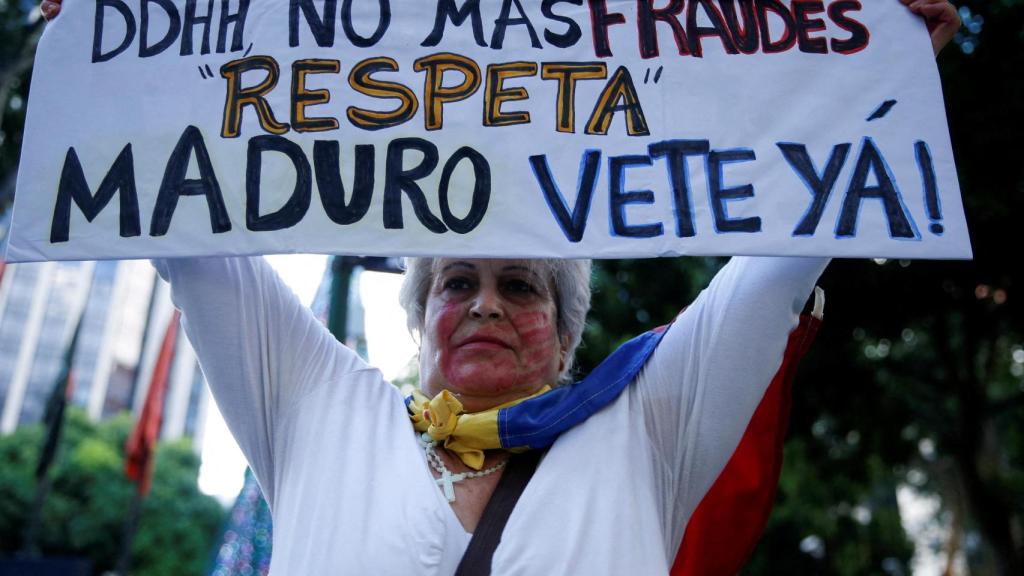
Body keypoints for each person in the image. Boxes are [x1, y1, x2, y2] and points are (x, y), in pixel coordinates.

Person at [40, 1, 962, 574]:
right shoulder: (321, 407)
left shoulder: (646, 429)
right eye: (454, 283)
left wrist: (873, 76)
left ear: (565, 335)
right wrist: (110, 75)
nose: (484, 303)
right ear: (418, 319)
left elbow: (781, 254)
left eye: (520, 285)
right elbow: (188, 232)